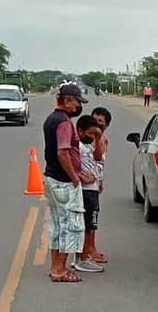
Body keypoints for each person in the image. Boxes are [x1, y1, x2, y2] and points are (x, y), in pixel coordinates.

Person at [42, 83, 93, 282]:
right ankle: (59, 270)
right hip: (63, 182)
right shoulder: (63, 122)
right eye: (77, 102)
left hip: (52, 178)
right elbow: (63, 152)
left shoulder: (51, 119)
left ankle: (55, 265)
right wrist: (75, 178)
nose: (78, 106)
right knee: (70, 226)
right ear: (68, 100)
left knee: (57, 224)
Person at [72, 115, 105, 273]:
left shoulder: (88, 146)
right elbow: (69, 164)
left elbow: (98, 157)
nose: (92, 137)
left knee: (90, 225)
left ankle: (81, 257)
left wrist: (98, 138)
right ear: (80, 131)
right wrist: (82, 177)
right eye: (90, 133)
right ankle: (82, 259)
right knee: (87, 225)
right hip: (85, 191)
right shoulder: (77, 145)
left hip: (93, 189)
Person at [89, 107, 112, 264]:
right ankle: (89, 250)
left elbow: (101, 163)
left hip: (96, 183)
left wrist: (101, 181)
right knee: (90, 219)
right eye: (94, 120)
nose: (97, 124)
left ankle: (90, 248)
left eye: (100, 121)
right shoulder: (87, 139)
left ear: (107, 125)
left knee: (93, 217)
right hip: (87, 184)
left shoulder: (104, 140)